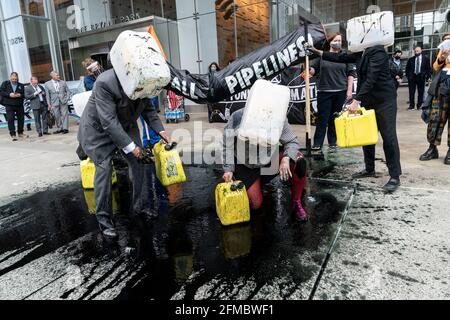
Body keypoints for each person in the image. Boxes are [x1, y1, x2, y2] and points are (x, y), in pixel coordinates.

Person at [77, 67, 170, 238]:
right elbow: (109, 122)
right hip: (98, 130)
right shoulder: (105, 82)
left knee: (139, 163)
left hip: (126, 125)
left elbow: (149, 111)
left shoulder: (146, 83)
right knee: (104, 169)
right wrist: (132, 148)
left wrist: (161, 132)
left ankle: (139, 207)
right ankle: (104, 221)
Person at [307, 43, 402, 193]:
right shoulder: (359, 53)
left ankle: (395, 176)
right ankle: (369, 169)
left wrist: (356, 101)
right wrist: (318, 52)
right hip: (368, 99)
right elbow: (339, 57)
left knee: (388, 137)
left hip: (384, 100)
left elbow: (371, 78)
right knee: (367, 135)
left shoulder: (378, 52)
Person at [222, 108, 308, 221]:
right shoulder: (237, 116)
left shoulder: (278, 117)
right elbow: (226, 145)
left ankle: (296, 201)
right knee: (255, 204)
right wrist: (228, 169)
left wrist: (286, 158)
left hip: (268, 157)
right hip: (246, 163)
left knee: (298, 160)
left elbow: (291, 141)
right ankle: (257, 182)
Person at [310, 33, 357, 152]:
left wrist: (349, 90)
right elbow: (312, 71)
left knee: (334, 118)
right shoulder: (322, 56)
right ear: (330, 42)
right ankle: (317, 143)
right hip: (324, 91)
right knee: (322, 119)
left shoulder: (345, 56)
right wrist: (306, 64)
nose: (338, 43)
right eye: (336, 40)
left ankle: (332, 142)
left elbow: (351, 73)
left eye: (340, 41)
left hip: (340, 91)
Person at [419, 33, 450, 165]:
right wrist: (442, 58)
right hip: (441, 87)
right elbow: (435, 68)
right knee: (435, 118)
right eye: (445, 40)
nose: (447, 42)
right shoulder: (442, 51)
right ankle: (432, 148)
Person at [0, 72, 27, 141]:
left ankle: (20, 133)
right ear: (10, 77)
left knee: (21, 119)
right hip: (9, 105)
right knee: (10, 119)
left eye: (15, 79)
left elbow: (24, 94)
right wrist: (9, 94)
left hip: (19, 104)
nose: (14, 80)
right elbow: (1, 92)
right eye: (13, 79)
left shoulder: (21, 85)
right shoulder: (5, 83)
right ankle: (13, 134)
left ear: (17, 78)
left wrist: (20, 95)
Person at [406, 46, 432, 110]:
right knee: (411, 92)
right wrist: (408, 76)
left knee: (421, 92)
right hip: (412, 77)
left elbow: (428, 69)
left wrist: (428, 77)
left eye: (417, 51)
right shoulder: (411, 59)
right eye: (415, 51)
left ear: (421, 51)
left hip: (421, 77)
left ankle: (419, 105)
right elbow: (407, 69)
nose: (416, 52)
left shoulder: (426, 59)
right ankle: (411, 105)